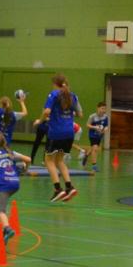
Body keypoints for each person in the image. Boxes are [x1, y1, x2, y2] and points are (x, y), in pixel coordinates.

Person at [41, 74, 79, 202]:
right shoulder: (72, 96)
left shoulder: (54, 94)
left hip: (56, 133)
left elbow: (47, 111)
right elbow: (79, 113)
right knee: (59, 160)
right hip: (69, 133)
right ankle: (69, 187)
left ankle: (58, 189)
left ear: (55, 84)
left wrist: (40, 120)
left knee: (48, 160)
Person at [85, 102, 110, 168]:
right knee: (95, 149)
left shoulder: (105, 117)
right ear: (98, 108)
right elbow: (87, 125)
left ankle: (86, 155)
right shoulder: (92, 116)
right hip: (92, 135)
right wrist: (95, 127)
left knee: (93, 148)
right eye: (102, 108)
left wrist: (105, 129)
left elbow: (106, 126)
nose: (104, 110)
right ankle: (94, 165)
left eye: (105, 109)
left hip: (99, 135)